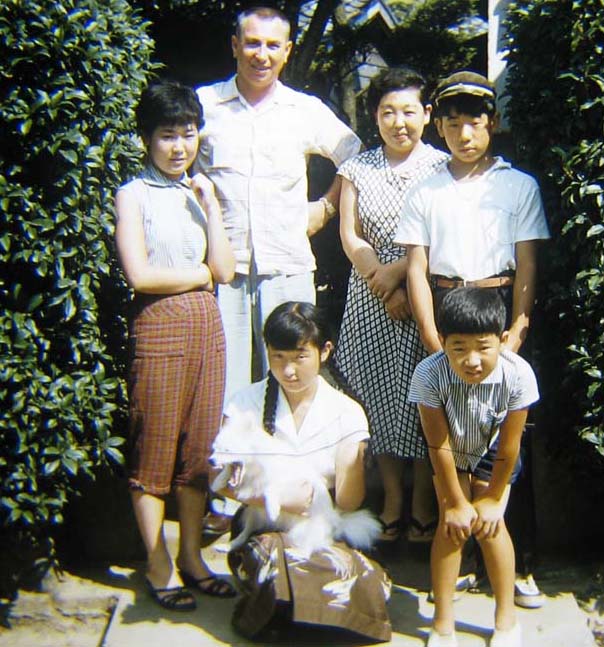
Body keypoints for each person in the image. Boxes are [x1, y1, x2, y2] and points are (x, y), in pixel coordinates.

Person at [395, 70, 550, 608]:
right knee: (450, 438)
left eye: (475, 123)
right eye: (453, 123)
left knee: (509, 440)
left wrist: (519, 327)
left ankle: (518, 564)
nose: (464, 134)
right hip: (447, 313)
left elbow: (527, 260)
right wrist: (432, 335)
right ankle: (460, 552)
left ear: (493, 125)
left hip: (498, 311)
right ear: (439, 127)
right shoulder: (426, 189)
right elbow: (416, 267)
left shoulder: (518, 185)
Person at [194, 5, 362, 404]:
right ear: (235, 46)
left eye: (272, 45)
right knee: (224, 390)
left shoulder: (304, 110)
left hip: (287, 265)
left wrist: (326, 207)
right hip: (222, 270)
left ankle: (291, 463)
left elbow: (355, 155)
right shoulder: (204, 105)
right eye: (252, 43)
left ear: (287, 51)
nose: (261, 54)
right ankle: (233, 467)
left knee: (294, 380)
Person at [114, 80, 236, 610]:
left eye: (188, 134)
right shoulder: (132, 194)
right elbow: (139, 276)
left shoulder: (200, 192)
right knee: (156, 447)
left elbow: (226, 270)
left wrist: (209, 204)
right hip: (159, 327)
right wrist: (198, 274)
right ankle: (157, 564)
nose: (179, 146)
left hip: (208, 328)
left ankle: (191, 556)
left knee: (200, 451)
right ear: (147, 139)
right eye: (167, 136)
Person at [216, 301, 392, 641]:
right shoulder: (245, 401)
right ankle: (296, 615)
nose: (289, 370)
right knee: (275, 559)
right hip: (262, 522)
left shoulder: (346, 411)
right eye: (278, 357)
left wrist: (351, 461)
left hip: (324, 523)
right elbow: (219, 479)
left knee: (363, 578)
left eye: (299, 357)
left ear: (324, 351)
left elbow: (349, 502)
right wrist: (281, 500)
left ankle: (304, 616)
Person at [336, 66, 447, 543]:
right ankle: (393, 500)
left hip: (423, 287)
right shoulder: (357, 167)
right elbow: (348, 233)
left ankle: (422, 500)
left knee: (424, 396)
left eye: (408, 111)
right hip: (368, 296)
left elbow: (441, 230)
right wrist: (380, 281)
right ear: (374, 116)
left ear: (426, 115)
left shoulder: (443, 166)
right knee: (375, 397)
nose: (398, 122)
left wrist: (400, 274)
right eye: (387, 112)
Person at [409, 287, 539, 647]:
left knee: (488, 524)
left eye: (483, 347)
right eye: (459, 348)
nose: (472, 360)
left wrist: (494, 498)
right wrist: (454, 501)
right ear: (442, 341)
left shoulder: (518, 375)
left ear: (501, 340)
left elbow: (510, 445)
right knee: (452, 525)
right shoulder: (428, 374)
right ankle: (442, 624)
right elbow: (438, 444)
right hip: (449, 444)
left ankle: (506, 619)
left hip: (493, 447)